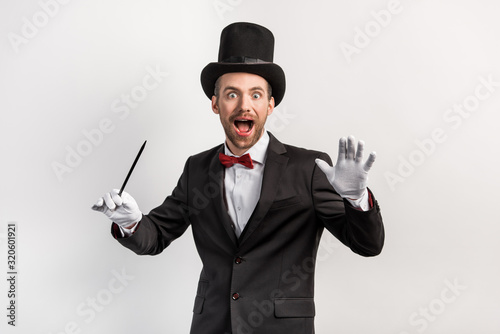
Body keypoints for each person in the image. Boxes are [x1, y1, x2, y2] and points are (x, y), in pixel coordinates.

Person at [92, 22, 384, 334]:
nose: (245, 105)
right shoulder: (197, 169)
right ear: (216, 104)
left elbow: (367, 245)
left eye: (256, 95)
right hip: (212, 325)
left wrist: (355, 198)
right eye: (232, 94)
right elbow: (156, 236)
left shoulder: (309, 168)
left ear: (270, 105)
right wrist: (132, 222)